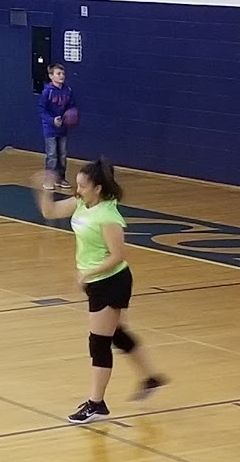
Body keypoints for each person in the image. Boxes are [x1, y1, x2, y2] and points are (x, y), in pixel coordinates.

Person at [33, 159, 167, 422]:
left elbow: (118, 255)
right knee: (116, 333)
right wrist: (43, 188)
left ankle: (96, 403)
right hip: (97, 281)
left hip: (110, 282)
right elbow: (50, 212)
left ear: (98, 187)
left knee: (99, 341)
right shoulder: (82, 203)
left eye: (83, 185)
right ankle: (151, 378)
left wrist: (87, 273)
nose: (77, 189)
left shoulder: (108, 216)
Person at [39, 63, 76, 190]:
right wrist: (52, 120)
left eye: (63, 74)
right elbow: (42, 111)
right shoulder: (47, 92)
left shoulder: (68, 91)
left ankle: (61, 178)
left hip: (63, 128)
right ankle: (49, 179)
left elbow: (71, 106)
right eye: (58, 74)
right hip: (50, 129)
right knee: (52, 155)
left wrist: (70, 116)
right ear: (51, 76)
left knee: (63, 155)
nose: (62, 76)